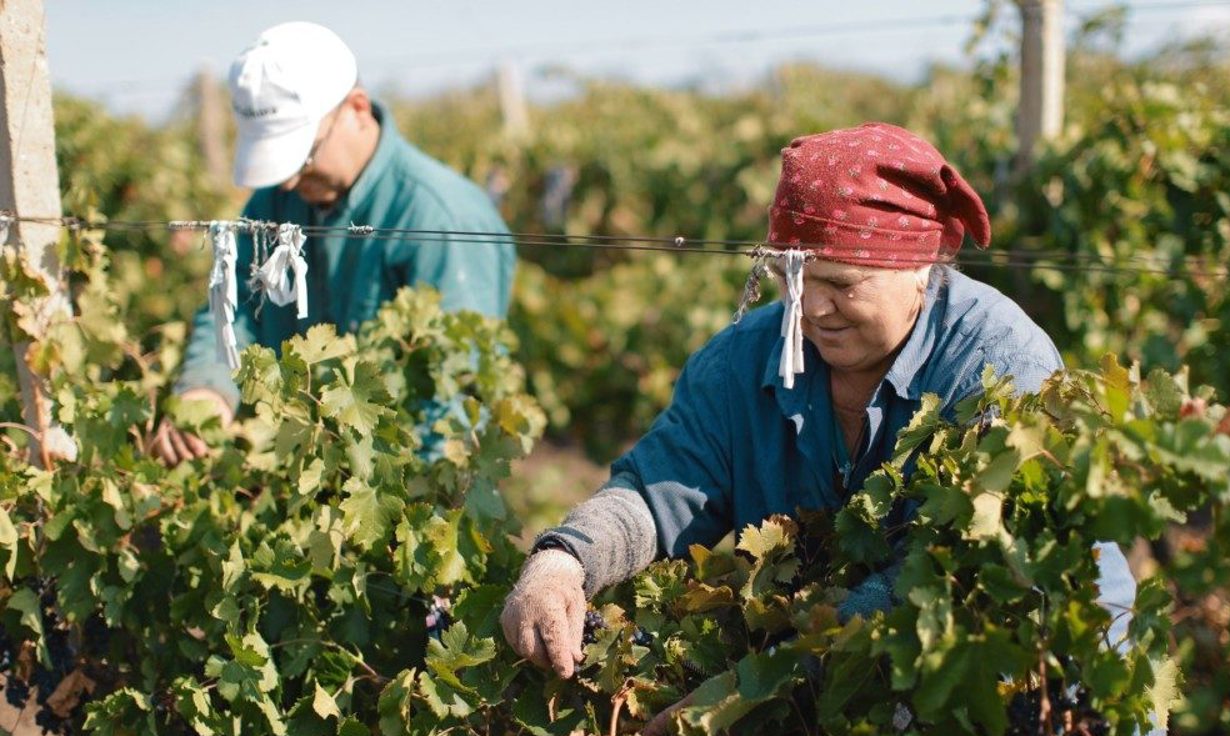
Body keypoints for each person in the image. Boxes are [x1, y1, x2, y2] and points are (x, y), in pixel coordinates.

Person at [499, 123, 1138, 682]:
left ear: (921, 269)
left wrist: (765, 686)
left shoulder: (999, 364)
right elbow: (660, 489)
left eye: (840, 284)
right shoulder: (742, 362)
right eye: (791, 279)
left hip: (1024, 668)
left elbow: (956, 576)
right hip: (825, 679)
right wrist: (564, 558)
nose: (811, 308)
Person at [151, 21, 515, 464]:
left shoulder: (442, 218)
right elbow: (236, 305)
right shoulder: (274, 200)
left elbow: (457, 399)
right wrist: (207, 386)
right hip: (302, 471)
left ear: (357, 109)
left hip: (402, 483)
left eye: (301, 155)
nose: (286, 180)